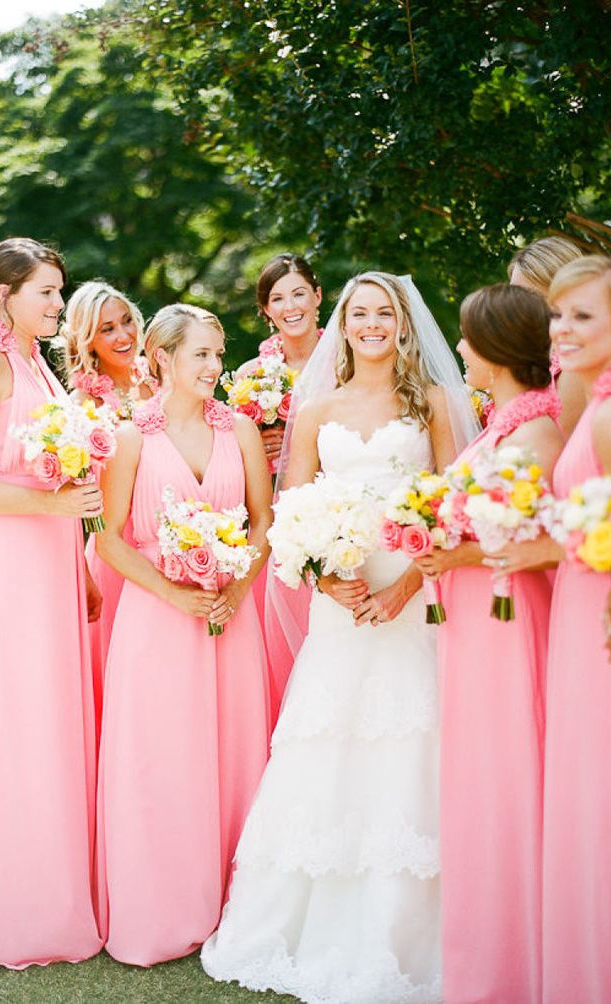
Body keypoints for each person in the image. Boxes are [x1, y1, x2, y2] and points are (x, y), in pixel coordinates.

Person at [202, 271, 478, 1004]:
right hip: (339, 597)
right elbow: (293, 503)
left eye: (384, 312)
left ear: (402, 323)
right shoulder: (316, 402)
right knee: (331, 739)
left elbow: (452, 509)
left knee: (408, 738)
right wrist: (324, 574)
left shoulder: (434, 404)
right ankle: (300, 922)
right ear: (342, 324)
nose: (372, 324)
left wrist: (403, 586)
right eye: (360, 313)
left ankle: (409, 929)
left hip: (412, 594)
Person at [0, 238, 103, 967]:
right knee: (14, 720)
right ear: (4, 296)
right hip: (4, 563)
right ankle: (10, 907)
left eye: (60, 294)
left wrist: (80, 559)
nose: (58, 306)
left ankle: (54, 891)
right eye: (46, 294)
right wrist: (49, 505)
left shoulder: (35, 360)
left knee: (50, 721)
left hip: (49, 558)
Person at [95, 303, 272, 966]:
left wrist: (235, 589)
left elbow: (261, 520)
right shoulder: (130, 438)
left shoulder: (243, 432)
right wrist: (172, 592)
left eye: (219, 354)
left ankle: (235, 904)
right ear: (162, 357)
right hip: (155, 622)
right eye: (201, 354)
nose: (214, 367)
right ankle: (161, 909)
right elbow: (106, 538)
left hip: (231, 619)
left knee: (233, 754)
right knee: (158, 760)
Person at [491, 256, 611, 1003]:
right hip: (585, 612)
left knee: (609, 795)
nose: (563, 329)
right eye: (558, 314)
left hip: (610, 624)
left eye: (583, 315)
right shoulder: (598, 400)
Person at [415, 284, 563, 1003]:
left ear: (499, 349)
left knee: (509, 769)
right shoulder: (504, 419)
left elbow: (539, 537)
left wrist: (456, 554)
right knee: (481, 770)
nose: (461, 351)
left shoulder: (538, 429)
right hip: (476, 621)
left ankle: (519, 954)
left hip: (508, 619)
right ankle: (487, 947)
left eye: (470, 340)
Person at [60, 280, 155, 742]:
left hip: (170, 545)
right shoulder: (81, 407)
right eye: (106, 329)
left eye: (126, 323)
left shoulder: (161, 382)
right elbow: (66, 505)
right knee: (119, 682)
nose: (122, 336)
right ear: (87, 341)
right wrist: (84, 575)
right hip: (114, 553)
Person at [237, 254, 324, 725]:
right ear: (265, 311)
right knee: (275, 633)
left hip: (333, 504)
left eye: (298, 293)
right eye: (276, 299)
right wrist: (260, 444)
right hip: (272, 514)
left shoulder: (349, 359)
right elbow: (234, 453)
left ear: (317, 296)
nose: (290, 306)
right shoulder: (253, 376)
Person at [508, 235, 587, 437]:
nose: (516, 305)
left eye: (530, 295)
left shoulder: (574, 366)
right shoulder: (531, 358)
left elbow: (560, 442)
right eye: (513, 293)